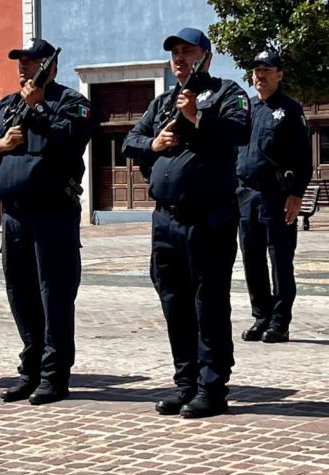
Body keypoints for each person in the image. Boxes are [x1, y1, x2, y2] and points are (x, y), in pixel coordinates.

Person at [122, 27, 251, 418]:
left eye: (188, 51)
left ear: (206, 57)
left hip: (208, 218)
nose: (180, 59)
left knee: (208, 304)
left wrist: (196, 117)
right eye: (175, 52)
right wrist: (153, 144)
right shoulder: (163, 102)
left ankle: (212, 387)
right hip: (166, 220)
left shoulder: (227, 93)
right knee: (174, 303)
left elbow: (240, 130)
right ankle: (186, 383)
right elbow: (130, 140)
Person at [0, 38, 93, 405]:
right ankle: (30, 370)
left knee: (55, 295)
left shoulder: (71, 102)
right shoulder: (6, 106)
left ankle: (54, 376)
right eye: (20, 61)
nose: (23, 67)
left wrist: (39, 110)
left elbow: (73, 139)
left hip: (53, 213)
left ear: (50, 67)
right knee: (21, 294)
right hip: (14, 216)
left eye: (31, 61)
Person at [235, 50, 312, 344]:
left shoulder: (289, 110)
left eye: (267, 70)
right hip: (245, 196)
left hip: (276, 195)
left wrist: (296, 194)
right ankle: (261, 316)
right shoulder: (245, 109)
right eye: (256, 71)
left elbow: (303, 159)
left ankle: (280, 321)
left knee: (280, 260)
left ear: (279, 74)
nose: (260, 76)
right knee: (252, 260)